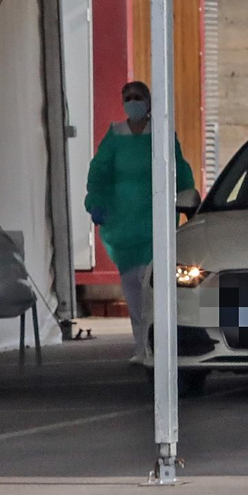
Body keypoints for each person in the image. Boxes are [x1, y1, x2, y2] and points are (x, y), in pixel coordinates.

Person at [83, 80, 197, 364]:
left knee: (154, 287)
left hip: (154, 222)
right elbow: (99, 172)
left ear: (148, 103)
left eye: (138, 97)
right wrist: (95, 202)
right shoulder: (115, 135)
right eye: (128, 97)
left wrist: (188, 201)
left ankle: (157, 345)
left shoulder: (162, 135)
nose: (133, 102)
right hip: (123, 225)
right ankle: (140, 345)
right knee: (133, 290)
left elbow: (179, 169)